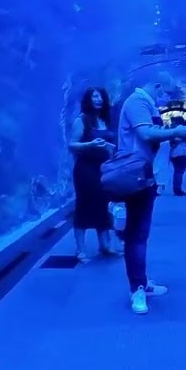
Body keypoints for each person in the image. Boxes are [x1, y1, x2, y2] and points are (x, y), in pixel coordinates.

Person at [117, 80, 186, 314]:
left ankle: (142, 280)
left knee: (140, 233)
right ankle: (137, 289)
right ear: (156, 85)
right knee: (135, 235)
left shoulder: (145, 102)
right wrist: (176, 132)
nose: (166, 96)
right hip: (134, 174)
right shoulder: (138, 101)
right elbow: (145, 133)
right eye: (165, 90)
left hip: (144, 174)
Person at [68, 88, 118, 261]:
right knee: (84, 205)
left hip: (103, 168)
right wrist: (90, 144)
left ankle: (105, 245)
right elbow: (72, 145)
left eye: (100, 96)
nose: (98, 99)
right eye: (94, 96)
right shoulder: (81, 120)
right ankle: (80, 249)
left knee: (104, 205)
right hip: (86, 169)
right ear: (88, 99)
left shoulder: (104, 120)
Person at [168, 132, 186, 197]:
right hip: (182, 154)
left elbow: (171, 145)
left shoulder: (173, 134)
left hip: (174, 154)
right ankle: (178, 189)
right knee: (179, 172)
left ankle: (176, 189)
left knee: (177, 172)